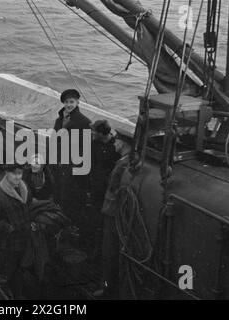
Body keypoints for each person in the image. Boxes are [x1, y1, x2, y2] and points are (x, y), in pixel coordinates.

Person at [0, 163, 35, 299]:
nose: (18, 177)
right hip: (8, 244)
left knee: (21, 269)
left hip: (24, 241)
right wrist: (9, 228)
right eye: (15, 174)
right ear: (6, 173)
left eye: (20, 173)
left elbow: (29, 209)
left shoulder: (25, 190)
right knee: (8, 273)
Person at [96, 128, 133, 299]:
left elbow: (112, 186)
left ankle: (106, 289)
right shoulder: (127, 161)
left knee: (109, 251)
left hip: (112, 212)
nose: (115, 143)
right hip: (118, 212)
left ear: (124, 144)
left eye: (117, 141)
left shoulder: (122, 164)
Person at [52, 89, 92, 229]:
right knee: (60, 196)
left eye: (71, 102)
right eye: (66, 102)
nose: (69, 105)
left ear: (77, 102)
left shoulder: (84, 122)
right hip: (60, 164)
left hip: (74, 168)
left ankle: (71, 228)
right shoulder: (60, 120)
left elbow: (86, 150)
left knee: (71, 200)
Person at [89, 120, 121, 257]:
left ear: (101, 133)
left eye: (94, 131)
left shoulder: (115, 146)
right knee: (96, 215)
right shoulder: (94, 144)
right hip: (96, 186)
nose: (92, 133)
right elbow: (92, 163)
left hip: (108, 188)